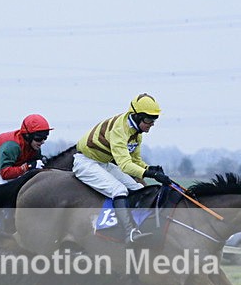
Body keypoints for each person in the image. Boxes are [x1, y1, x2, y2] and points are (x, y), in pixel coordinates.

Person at [73, 93, 171, 244]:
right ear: (137, 116)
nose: (151, 124)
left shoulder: (137, 133)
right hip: (86, 162)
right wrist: (150, 174)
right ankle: (129, 232)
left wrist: (151, 168)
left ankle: (141, 226)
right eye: (148, 120)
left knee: (138, 187)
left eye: (154, 121)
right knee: (119, 190)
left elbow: (135, 160)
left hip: (103, 163)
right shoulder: (120, 129)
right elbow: (125, 165)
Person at [0, 114, 52, 189]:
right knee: (2, 189)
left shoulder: (34, 147)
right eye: (39, 138)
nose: (42, 142)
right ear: (27, 135)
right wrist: (29, 166)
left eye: (45, 138)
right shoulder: (12, 146)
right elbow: (6, 173)